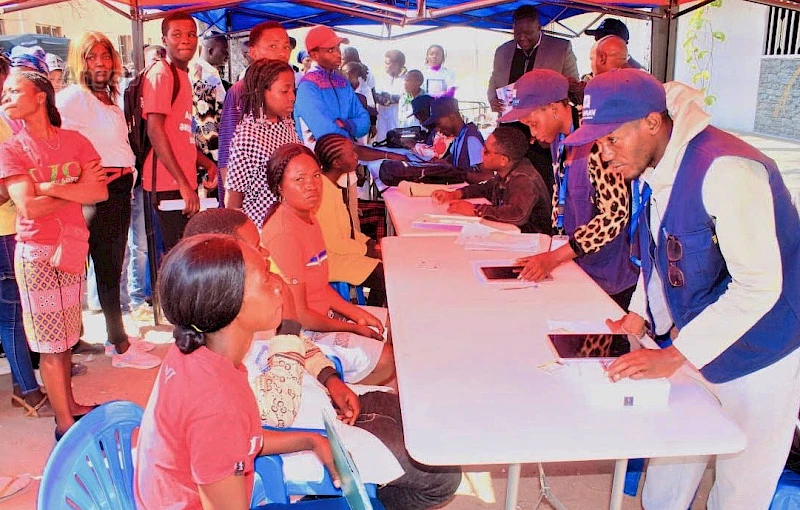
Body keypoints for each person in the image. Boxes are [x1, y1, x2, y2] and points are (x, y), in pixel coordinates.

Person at [568, 68, 800, 510]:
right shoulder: (656, 166)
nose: (604, 153)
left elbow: (758, 286)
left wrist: (673, 355)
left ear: (653, 123)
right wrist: (640, 313)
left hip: (768, 345)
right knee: (668, 471)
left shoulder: (726, 169)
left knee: (738, 489)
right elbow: (662, 249)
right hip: (700, 333)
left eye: (611, 139)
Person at [183, 209, 462, 510]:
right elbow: (279, 412)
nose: (265, 253)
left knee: (420, 421)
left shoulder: (238, 305)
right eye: (255, 247)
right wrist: (288, 322)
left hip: (320, 407)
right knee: (442, 477)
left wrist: (330, 378)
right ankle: (365, 498)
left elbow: (299, 345)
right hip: (300, 433)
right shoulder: (217, 355)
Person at [134, 233, 341, 509]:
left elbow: (236, 439)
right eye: (266, 279)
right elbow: (224, 434)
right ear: (230, 304)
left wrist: (310, 440)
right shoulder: (217, 404)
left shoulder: (194, 351)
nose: (279, 287)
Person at [0, 71, 108, 439]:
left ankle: (70, 404)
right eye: (5, 92)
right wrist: (73, 186)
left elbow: (100, 193)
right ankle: (65, 425)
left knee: (66, 337)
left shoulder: (74, 140)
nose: (7, 97)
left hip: (73, 246)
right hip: (37, 253)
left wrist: (49, 186)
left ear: (41, 96)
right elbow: (28, 207)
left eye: (15, 90)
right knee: (49, 343)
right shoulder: (12, 148)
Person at [57, 31, 160, 369]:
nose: (100, 63)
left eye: (105, 56)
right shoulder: (74, 97)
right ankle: (117, 344)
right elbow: (59, 142)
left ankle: (113, 337)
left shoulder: (107, 98)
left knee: (109, 267)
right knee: (97, 267)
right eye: (91, 57)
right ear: (79, 61)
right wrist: (85, 176)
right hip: (96, 195)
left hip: (118, 191)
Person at [261, 143, 395, 387]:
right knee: (387, 359)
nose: (311, 185)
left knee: (396, 323)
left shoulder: (309, 217)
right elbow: (299, 315)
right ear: (279, 186)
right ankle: (339, 397)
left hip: (322, 315)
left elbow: (319, 286)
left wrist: (355, 313)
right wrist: (351, 327)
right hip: (302, 333)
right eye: (299, 179)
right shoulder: (283, 233)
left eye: (314, 176)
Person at [500, 69, 637, 309]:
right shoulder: (559, 141)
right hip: (578, 266)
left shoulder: (596, 141)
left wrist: (554, 257)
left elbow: (615, 216)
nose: (532, 135)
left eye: (533, 124)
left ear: (553, 108)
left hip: (610, 280)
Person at [0, 55, 51, 418]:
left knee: (16, 308)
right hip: (4, 225)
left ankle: (27, 379)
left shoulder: (6, 121)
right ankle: (28, 389)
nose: (8, 93)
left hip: (11, 223)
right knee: (12, 311)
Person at [142, 12, 217, 252]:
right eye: (177, 34)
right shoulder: (161, 73)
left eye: (191, 34)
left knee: (187, 255)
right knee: (176, 259)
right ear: (164, 40)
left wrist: (207, 164)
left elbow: (180, 137)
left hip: (182, 182)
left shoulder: (181, 75)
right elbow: (155, 130)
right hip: (167, 185)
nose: (186, 40)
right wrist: (183, 184)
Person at [218, 21, 292, 203]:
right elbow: (227, 156)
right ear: (252, 52)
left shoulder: (284, 91)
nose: (282, 53)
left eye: (286, 46)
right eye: (273, 46)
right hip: (251, 205)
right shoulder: (240, 91)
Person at [432, 126, 552, 234]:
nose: (481, 152)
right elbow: (487, 188)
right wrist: (457, 194)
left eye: (486, 151)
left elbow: (517, 214)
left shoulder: (523, 179)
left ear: (503, 160)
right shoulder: (507, 171)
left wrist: (476, 210)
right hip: (511, 235)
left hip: (533, 244)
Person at [225, 59, 298, 229]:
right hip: (264, 229)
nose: (292, 97)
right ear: (261, 92)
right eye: (285, 91)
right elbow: (234, 197)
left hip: (291, 224)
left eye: (293, 90)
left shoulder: (286, 124)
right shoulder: (247, 135)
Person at [314, 134, 385, 306]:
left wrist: (370, 242)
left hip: (341, 253)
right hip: (330, 260)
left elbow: (347, 231)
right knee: (385, 276)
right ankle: (373, 316)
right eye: (351, 153)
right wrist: (370, 251)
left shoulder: (332, 186)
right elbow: (335, 243)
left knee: (386, 268)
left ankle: (373, 312)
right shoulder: (323, 193)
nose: (356, 156)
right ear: (337, 163)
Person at [487, 4, 579, 114]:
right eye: (518, 32)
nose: (522, 37)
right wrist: (493, 100)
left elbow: (573, 87)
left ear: (539, 28)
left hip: (545, 122)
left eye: (528, 33)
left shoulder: (561, 48)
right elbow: (494, 80)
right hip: (510, 123)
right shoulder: (502, 51)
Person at [294, 27, 370, 147]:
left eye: (338, 48)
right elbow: (325, 132)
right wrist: (350, 132)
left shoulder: (342, 82)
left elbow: (365, 121)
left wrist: (347, 124)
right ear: (314, 55)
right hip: (319, 160)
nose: (338, 53)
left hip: (346, 155)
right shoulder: (308, 86)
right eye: (330, 50)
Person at [422, 97, 489, 183]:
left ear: (452, 117)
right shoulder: (459, 137)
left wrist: (459, 174)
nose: (438, 129)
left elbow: (487, 176)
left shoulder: (471, 139)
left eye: (438, 123)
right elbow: (453, 162)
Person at [191, 33, 228, 169]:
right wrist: (215, 153)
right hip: (209, 147)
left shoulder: (210, 72)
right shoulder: (203, 74)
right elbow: (205, 115)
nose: (227, 56)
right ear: (211, 50)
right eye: (224, 51)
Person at [374, 49, 407, 142]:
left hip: (397, 116)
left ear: (396, 64)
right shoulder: (382, 77)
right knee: (381, 140)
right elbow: (375, 94)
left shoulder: (406, 79)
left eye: (387, 63)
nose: (385, 66)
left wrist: (391, 99)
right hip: (382, 116)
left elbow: (405, 96)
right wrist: (382, 99)